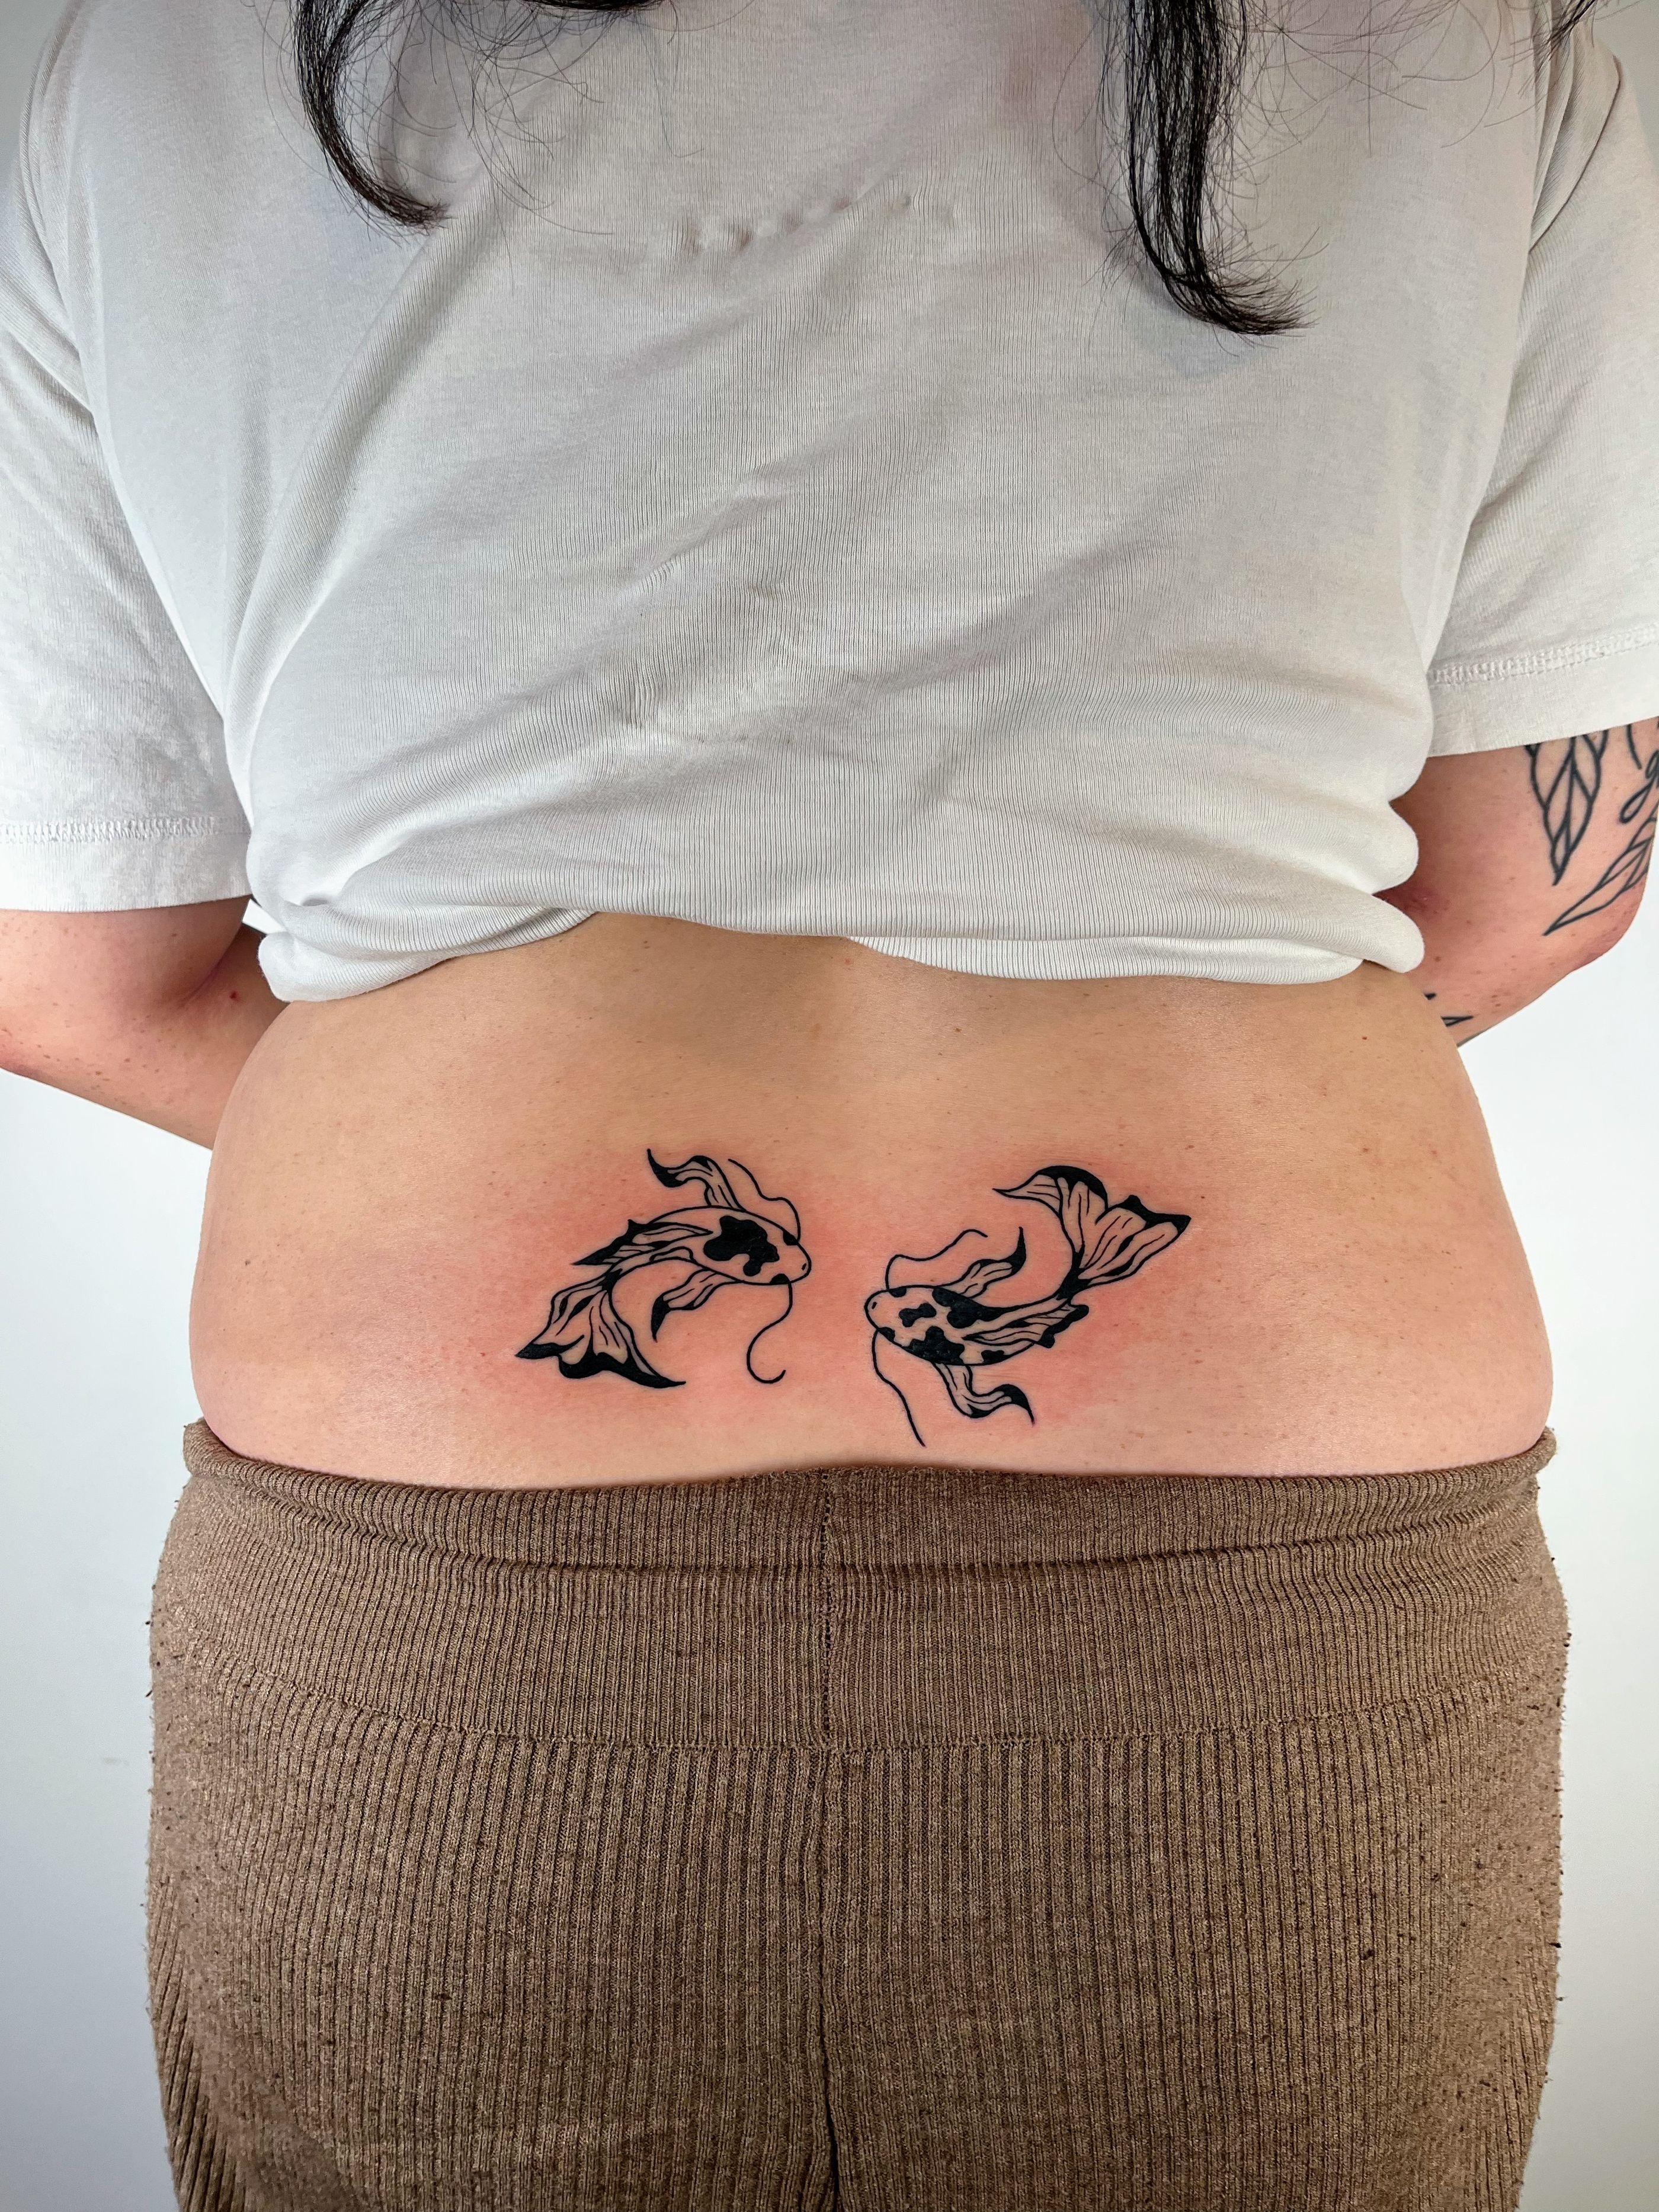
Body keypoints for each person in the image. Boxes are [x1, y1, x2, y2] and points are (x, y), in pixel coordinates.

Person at [1, 0, 1655, 2204]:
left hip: (447, 1615)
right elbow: (1538, 883)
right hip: (1284, 1572)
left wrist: (468, 1141)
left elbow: (72, 967)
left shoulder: (145, 59)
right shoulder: (1471, 40)